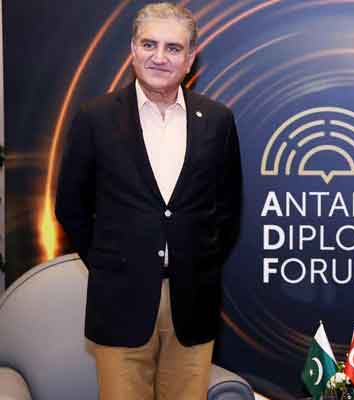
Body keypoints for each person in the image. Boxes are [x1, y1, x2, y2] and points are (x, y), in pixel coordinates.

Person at [55, 3, 242, 399]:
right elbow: (71, 206)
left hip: (192, 300)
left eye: (173, 48)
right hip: (119, 298)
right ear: (132, 50)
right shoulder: (95, 117)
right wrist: (113, 261)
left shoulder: (219, 120)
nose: (160, 57)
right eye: (149, 44)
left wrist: (196, 259)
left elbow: (227, 211)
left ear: (191, 58)